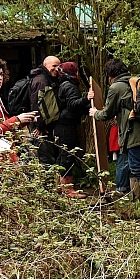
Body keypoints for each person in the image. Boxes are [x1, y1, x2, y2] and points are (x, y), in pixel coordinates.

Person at [90, 59, 140, 200]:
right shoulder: (134, 82)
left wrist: (95, 113)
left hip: (132, 132)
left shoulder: (116, 87)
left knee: (136, 167)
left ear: (110, 74)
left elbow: (107, 113)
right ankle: (136, 200)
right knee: (136, 166)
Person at [52, 62, 89, 197]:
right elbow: (73, 105)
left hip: (62, 125)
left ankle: (59, 186)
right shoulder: (69, 86)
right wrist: (87, 99)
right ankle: (68, 190)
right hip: (66, 125)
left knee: (63, 155)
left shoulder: (62, 85)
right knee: (67, 155)